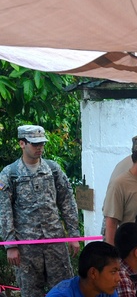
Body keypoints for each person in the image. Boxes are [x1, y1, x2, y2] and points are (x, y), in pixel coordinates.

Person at [0, 124, 80, 296]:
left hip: (55, 243)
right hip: (27, 247)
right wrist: (10, 245)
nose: (39, 148)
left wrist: (74, 235)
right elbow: (4, 211)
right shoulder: (10, 174)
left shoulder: (52, 169)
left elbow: (67, 202)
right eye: (34, 144)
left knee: (64, 290)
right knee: (31, 292)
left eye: (41, 144)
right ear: (22, 144)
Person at [46, 241, 121, 297]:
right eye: (113, 272)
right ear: (93, 273)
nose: (119, 279)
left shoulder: (106, 292)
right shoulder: (61, 295)